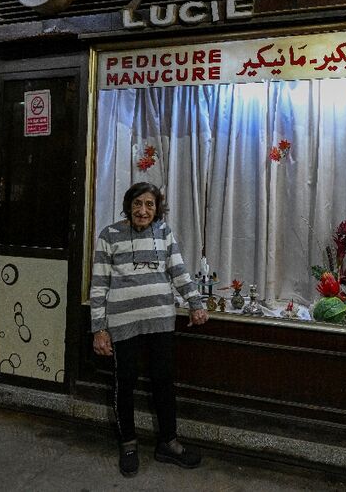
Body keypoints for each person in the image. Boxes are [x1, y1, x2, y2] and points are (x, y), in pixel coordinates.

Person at [90, 181, 209, 478]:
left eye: (149, 205)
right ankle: (128, 444)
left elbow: (178, 271)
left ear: (157, 209)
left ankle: (168, 443)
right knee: (125, 382)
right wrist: (99, 329)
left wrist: (195, 303)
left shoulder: (164, 232)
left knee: (163, 381)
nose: (143, 210)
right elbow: (99, 284)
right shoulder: (109, 235)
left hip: (160, 319)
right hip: (123, 321)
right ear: (128, 206)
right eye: (137, 204)